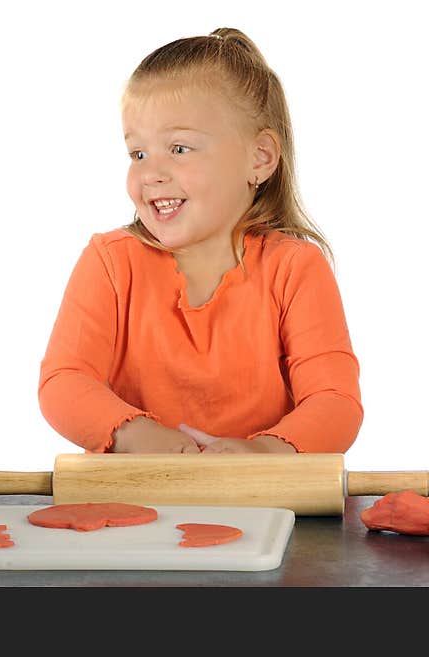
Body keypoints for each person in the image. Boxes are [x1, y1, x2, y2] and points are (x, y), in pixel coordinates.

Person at [38, 28, 362, 455]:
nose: (151, 172)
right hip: (138, 506)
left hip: (262, 504)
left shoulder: (296, 268)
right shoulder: (110, 263)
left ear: (259, 158)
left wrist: (264, 452)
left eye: (179, 148)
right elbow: (63, 382)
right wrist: (138, 436)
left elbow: (335, 402)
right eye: (138, 153)